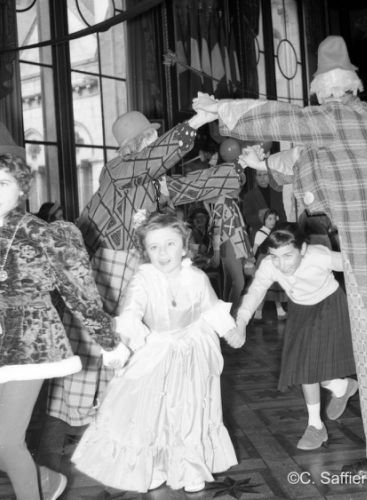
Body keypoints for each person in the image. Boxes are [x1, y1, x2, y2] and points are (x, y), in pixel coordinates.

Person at [193, 35, 367, 476]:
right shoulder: (352, 122)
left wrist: (225, 110)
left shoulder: (341, 116)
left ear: (330, 91)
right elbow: (301, 160)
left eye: (323, 93)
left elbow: (288, 120)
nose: (323, 100)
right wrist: (260, 165)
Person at [42, 104, 240, 472]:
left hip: (136, 271)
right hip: (102, 270)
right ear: (138, 143)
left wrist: (240, 170)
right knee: (89, 351)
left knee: (135, 353)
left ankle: (119, 433)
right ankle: (56, 448)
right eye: (152, 136)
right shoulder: (117, 170)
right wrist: (195, 123)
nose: (157, 141)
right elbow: (153, 161)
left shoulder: (151, 180)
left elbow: (190, 186)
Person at [0, 119, 123, 500]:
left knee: (8, 442)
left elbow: (80, 293)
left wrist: (108, 341)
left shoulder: (48, 235)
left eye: (2, 183)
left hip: (35, 339)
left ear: (21, 184)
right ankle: (46, 482)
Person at [71, 212, 239, 493]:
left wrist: (230, 331)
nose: (163, 253)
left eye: (170, 244)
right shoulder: (143, 280)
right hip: (157, 351)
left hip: (193, 351)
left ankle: (190, 466)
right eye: (154, 247)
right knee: (154, 411)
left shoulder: (197, 277)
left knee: (190, 410)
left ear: (184, 247)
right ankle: (156, 465)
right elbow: (130, 314)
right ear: (145, 252)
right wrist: (119, 344)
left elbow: (211, 309)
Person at [233, 225, 357, 449]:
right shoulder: (269, 265)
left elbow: (357, 263)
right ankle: (339, 389)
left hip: (330, 304)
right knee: (304, 367)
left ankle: (316, 424)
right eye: (275, 256)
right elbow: (256, 291)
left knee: (309, 367)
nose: (281, 264)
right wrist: (241, 322)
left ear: (303, 249)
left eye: (288, 256)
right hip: (300, 309)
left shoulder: (319, 255)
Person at [210, 170, 253, 314]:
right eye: (235, 184)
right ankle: (232, 314)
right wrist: (216, 252)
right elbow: (216, 229)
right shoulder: (222, 202)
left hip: (233, 244)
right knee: (239, 282)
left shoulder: (230, 202)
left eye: (240, 184)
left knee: (229, 282)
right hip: (228, 244)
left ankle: (225, 314)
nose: (238, 187)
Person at [251, 209, 287, 321]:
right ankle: (258, 312)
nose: (272, 221)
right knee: (265, 287)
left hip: (273, 261)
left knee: (274, 286)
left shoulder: (275, 232)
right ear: (264, 220)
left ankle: (279, 310)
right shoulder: (260, 233)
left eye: (274, 219)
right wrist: (250, 261)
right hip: (264, 261)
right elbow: (255, 248)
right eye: (269, 219)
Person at [242, 169, 287, 243]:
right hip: (259, 236)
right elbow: (248, 219)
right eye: (259, 175)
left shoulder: (278, 193)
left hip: (277, 235)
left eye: (265, 174)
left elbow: (283, 215)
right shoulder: (249, 196)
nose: (262, 178)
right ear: (255, 177)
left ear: (269, 176)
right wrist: (261, 216)